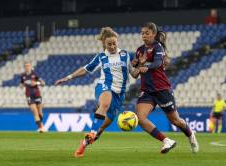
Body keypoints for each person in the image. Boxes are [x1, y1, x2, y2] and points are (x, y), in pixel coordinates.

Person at [55, 27, 138, 157]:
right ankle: (92, 132)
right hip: (104, 86)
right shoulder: (101, 57)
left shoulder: (126, 55)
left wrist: (141, 65)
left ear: (118, 42)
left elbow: (134, 74)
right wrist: (68, 77)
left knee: (103, 126)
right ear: (104, 44)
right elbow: (84, 70)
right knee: (105, 104)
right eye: (109, 44)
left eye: (114, 43)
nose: (111, 46)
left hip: (119, 94)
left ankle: (84, 144)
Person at [131, 22, 199, 154]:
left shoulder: (158, 47)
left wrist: (146, 66)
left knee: (175, 121)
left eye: (147, 33)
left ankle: (190, 136)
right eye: (142, 33)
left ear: (154, 34)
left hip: (162, 89)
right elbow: (136, 73)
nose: (144, 36)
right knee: (140, 118)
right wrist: (137, 64)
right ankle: (166, 140)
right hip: (147, 91)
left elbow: (157, 63)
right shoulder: (139, 50)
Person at [19, 62, 45, 133]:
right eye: (26, 66)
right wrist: (21, 85)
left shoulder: (34, 75)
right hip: (29, 96)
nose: (27, 67)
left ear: (30, 67)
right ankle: (41, 128)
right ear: (24, 68)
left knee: (40, 113)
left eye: (28, 66)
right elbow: (21, 84)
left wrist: (36, 83)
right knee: (35, 112)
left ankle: (41, 125)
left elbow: (43, 83)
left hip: (37, 95)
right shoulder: (23, 76)